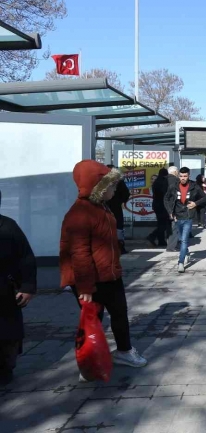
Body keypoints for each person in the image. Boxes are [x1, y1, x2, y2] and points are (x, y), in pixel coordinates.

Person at [60, 160, 147, 378]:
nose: (115, 189)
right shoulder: (80, 213)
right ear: (98, 186)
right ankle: (89, 364)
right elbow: (79, 254)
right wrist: (85, 287)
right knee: (92, 322)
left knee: (119, 314)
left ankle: (124, 351)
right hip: (90, 281)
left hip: (109, 274)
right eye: (111, 185)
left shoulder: (100, 207)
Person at [0, 189, 37, 386]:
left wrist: (28, 287)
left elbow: (26, 258)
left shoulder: (8, 226)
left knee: (8, 335)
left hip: (5, 292)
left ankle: (6, 368)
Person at [165, 167, 206, 273]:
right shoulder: (173, 186)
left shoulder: (194, 186)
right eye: (181, 176)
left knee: (184, 240)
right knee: (180, 239)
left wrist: (195, 203)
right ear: (178, 176)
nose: (183, 178)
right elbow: (166, 198)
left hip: (188, 216)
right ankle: (186, 253)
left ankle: (180, 262)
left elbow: (205, 197)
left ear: (189, 176)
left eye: (185, 176)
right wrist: (170, 211)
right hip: (177, 216)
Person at [106, 165, 130, 254]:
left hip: (105, 207)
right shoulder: (119, 181)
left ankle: (108, 247)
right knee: (118, 227)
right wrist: (121, 201)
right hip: (116, 207)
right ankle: (120, 247)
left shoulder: (102, 181)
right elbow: (126, 193)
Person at [147, 168, 171, 247]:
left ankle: (161, 240)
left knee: (160, 223)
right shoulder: (163, 182)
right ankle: (152, 236)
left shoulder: (156, 182)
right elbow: (165, 195)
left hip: (156, 205)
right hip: (162, 205)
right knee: (163, 224)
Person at [165, 166, 180, 252]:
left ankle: (169, 244)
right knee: (174, 227)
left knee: (168, 227)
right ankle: (171, 246)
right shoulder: (176, 181)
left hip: (162, 207)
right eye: (177, 172)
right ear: (175, 172)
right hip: (172, 207)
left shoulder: (162, 180)